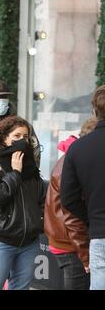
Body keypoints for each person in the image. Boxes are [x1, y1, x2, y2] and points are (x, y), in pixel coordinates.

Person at [0, 116, 45, 290]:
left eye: (26, 137)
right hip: (3, 239)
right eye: (17, 136)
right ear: (5, 138)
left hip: (29, 240)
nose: (22, 141)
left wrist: (40, 220)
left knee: (21, 287)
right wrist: (14, 173)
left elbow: (40, 197)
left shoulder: (30, 166)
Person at [44, 118, 97, 290]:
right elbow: (71, 215)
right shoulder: (73, 165)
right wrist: (85, 256)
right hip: (71, 244)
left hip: (71, 241)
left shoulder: (72, 160)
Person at [61, 85, 105, 290]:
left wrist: (91, 217)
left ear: (94, 111)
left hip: (99, 233)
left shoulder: (78, 149)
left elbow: (68, 198)